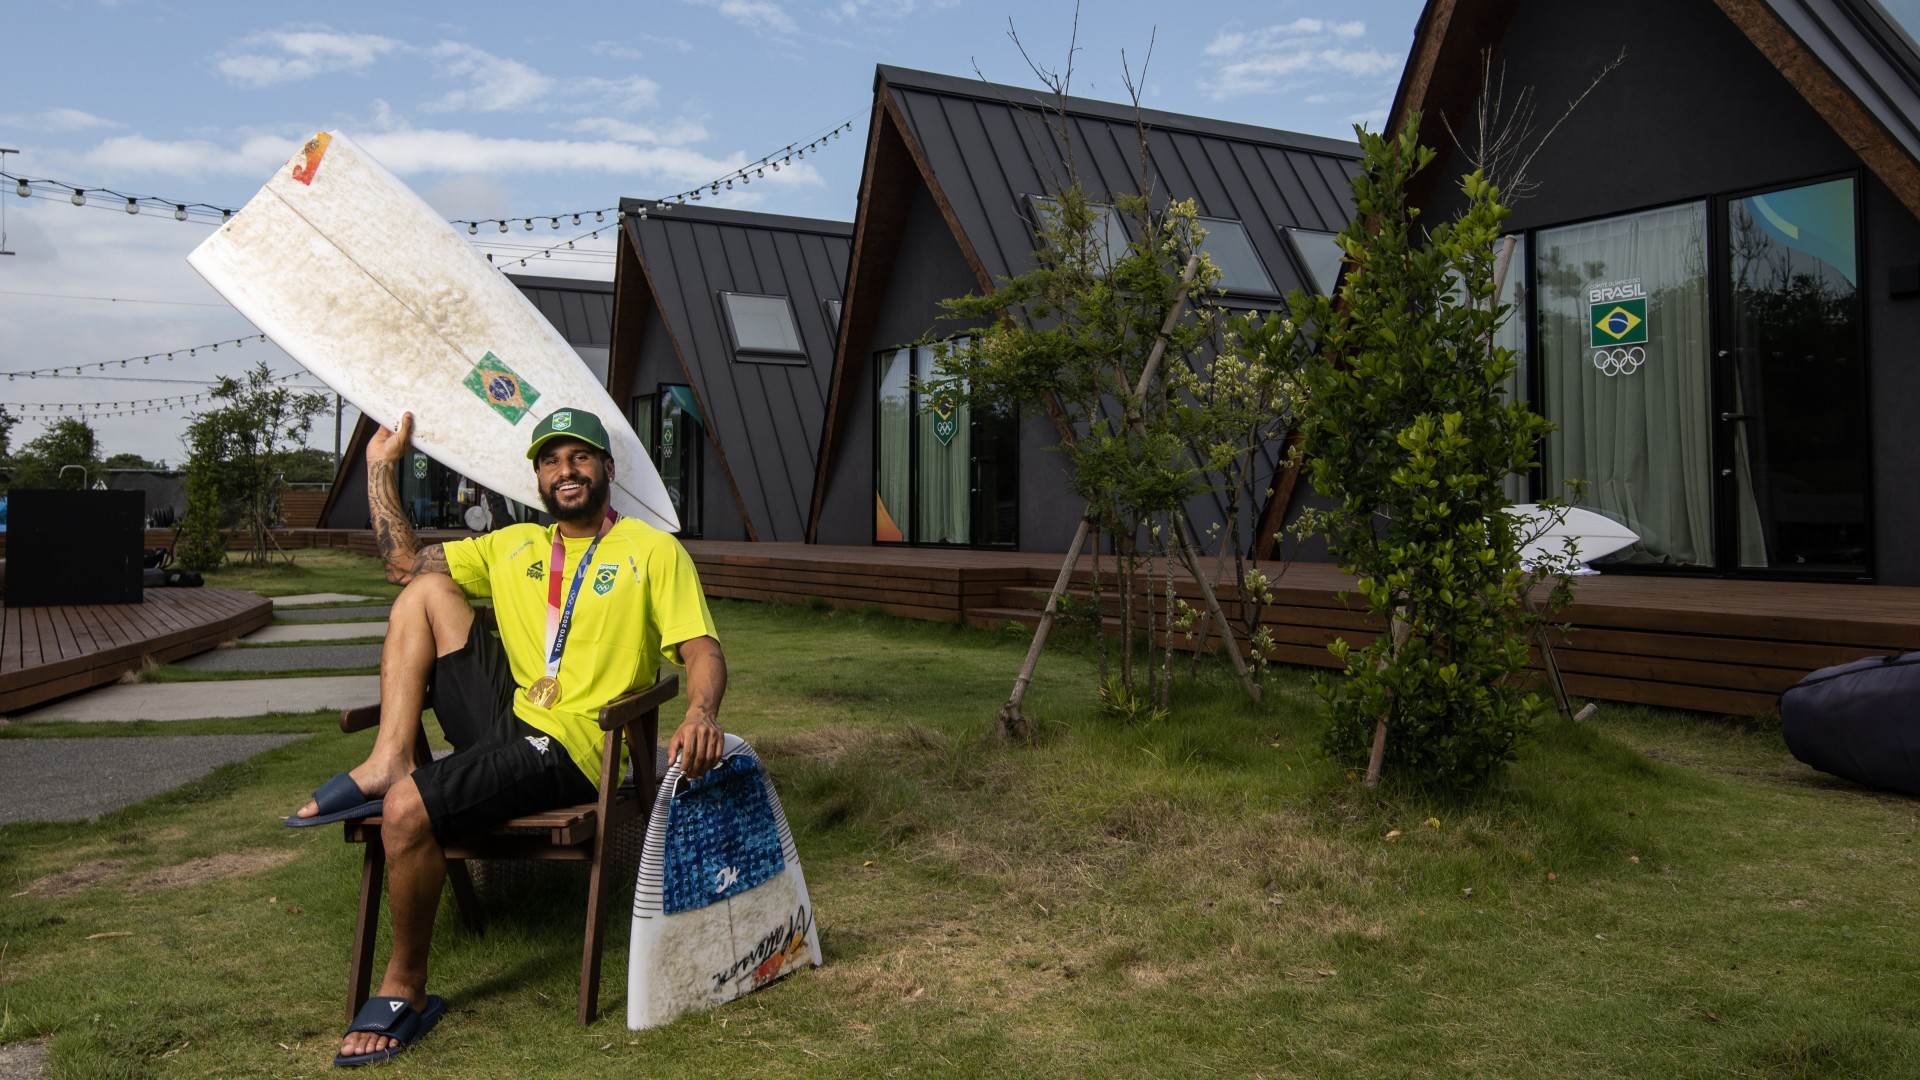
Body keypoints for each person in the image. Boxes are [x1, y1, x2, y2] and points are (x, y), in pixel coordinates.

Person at [292, 407, 727, 1067]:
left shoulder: (650, 550)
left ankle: (404, 988)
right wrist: (381, 467)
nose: (566, 471)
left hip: (574, 744)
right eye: (551, 460)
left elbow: (701, 649)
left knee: (409, 809)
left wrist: (700, 713)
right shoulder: (514, 544)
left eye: (580, 457)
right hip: (509, 722)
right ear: (537, 477)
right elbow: (402, 562)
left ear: (606, 468)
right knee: (423, 590)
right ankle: (387, 756)